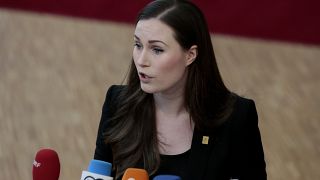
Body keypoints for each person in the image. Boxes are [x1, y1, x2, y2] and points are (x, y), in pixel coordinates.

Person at [94, 0, 267, 179]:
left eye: (157, 50)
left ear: (190, 55)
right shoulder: (117, 103)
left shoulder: (237, 117)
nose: (141, 60)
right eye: (138, 45)